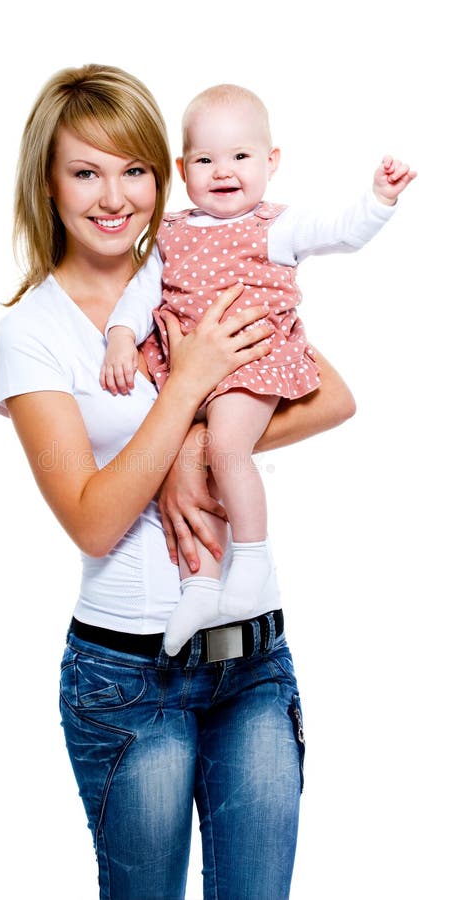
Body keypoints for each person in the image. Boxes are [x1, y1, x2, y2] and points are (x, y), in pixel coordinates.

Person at [0, 64, 356, 900]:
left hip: (255, 664)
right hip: (130, 680)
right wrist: (189, 386)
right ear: (47, 186)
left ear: (165, 176)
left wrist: (190, 447)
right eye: (85, 171)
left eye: (134, 169)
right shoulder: (34, 333)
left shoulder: (206, 261)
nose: (113, 195)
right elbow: (92, 518)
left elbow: (330, 397)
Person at [100, 83, 416, 656]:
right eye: (205, 159)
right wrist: (121, 337)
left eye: (241, 156)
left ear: (271, 163)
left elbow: (343, 231)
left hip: (252, 362)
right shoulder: (169, 232)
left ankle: (250, 556)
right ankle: (199, 584)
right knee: (186, 468)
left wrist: (378, 200)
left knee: (224, 449)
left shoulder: (276, 226)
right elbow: (139, 293)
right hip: (183, 368)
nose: (223, 171)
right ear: (183, 168)